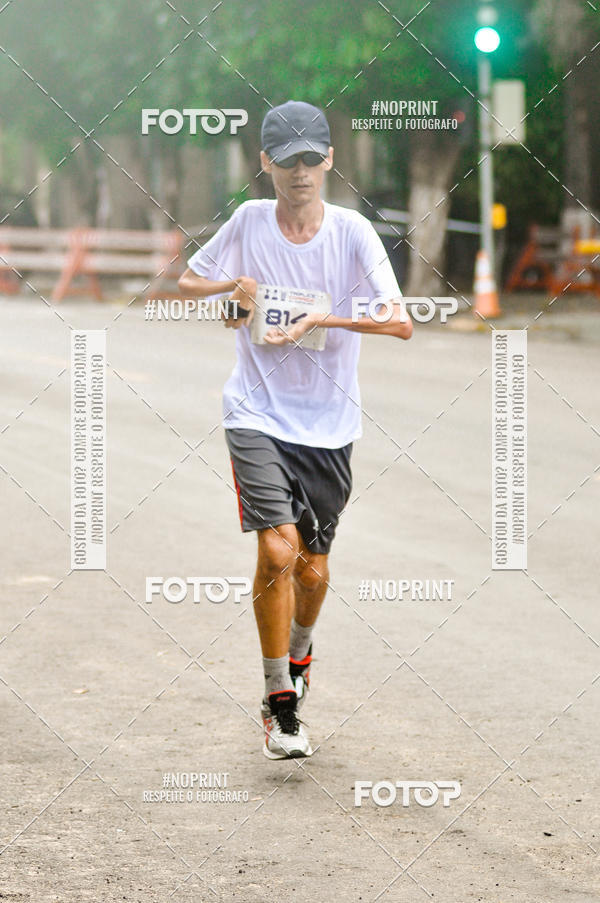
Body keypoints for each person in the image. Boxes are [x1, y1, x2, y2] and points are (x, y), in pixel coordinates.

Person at [178, 99, 412, 760]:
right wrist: (236, 292)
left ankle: (301, 655)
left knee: (312, 567)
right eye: (287, 161)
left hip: (329, 424)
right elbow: (193, 285)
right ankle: (279, 699)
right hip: (254, 412)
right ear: (266, 164)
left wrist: (321, 321)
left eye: (311, 158)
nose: (300, 171)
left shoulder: (352, 234)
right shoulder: (250, 221)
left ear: (329, 159)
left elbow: (399, 322)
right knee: (277, 552)